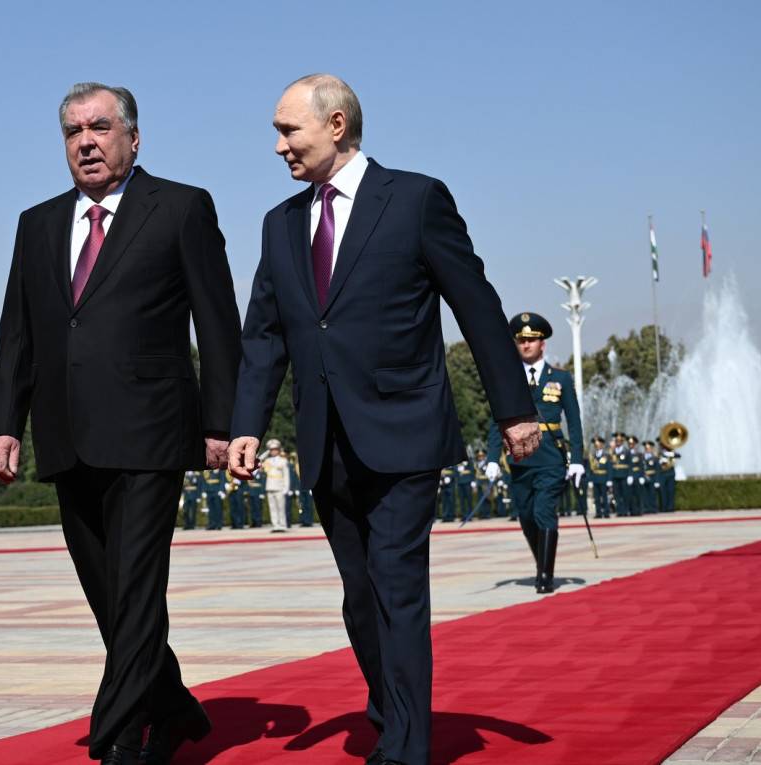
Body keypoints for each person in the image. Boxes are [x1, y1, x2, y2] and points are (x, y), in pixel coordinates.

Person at [227, 74, 539, 765]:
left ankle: (405, 744)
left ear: (336, 125)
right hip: (324, 437)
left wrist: (514, 409)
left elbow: (477, 306)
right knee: (360, 595)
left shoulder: (416, 200)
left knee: (397, 583)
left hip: (403, 429)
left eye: (288, 130)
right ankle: (389, 703)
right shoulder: (279, 223)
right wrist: (246, 423)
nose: (278, 146)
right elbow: (265, 335)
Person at [0, 82, 241, 764]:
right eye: (73, 131)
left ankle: (121, 734)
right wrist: (2, 422)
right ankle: (177, 708)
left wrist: (225, 422)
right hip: (66, 435)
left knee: (135, 585)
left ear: (133, 136)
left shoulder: (181, 207)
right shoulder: (36, 223)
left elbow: (218, 326)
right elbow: (19, 332)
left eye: (99, 127)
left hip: (152, 433)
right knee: (106, 591)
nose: (86, 142)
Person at [484, 312, 584, 595]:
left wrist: (577, 460)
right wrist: (492, 457)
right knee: (526, 515)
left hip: (551, 457)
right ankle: (541, 561)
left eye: (532, 339)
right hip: (521, 458)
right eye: (521, 340)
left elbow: (574, 422)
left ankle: (545, 575)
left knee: (543, 511)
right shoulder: (509, 378)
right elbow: (498, 420)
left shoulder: (561, 378)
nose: (526, 345)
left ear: (543, 343)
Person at [262, 440, 291, 532]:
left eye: (275, 449)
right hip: (270, 486)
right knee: (272, 507)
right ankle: (275, 525)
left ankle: (282, 525)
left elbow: (286, 475)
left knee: (281, 507)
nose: (273, 451)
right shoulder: (267, 460)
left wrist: (286, 488)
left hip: (279, 487)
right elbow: (259, 461)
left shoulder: (283, 460)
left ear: (278, 450)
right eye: (271, 450)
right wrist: (265, 453)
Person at [588, 435, 611, 519]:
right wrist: (590, 480)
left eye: (598, 444)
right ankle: (598, 513)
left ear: (602, 445)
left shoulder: (606, 455)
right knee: (596, 497)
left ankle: (606, 512)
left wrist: (609, 479)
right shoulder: (593, 456)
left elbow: (609, 468)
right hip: (595, 478)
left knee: (604, 497)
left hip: (604, 478)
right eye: (595, 445)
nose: (597, 446)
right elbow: (590, 469)